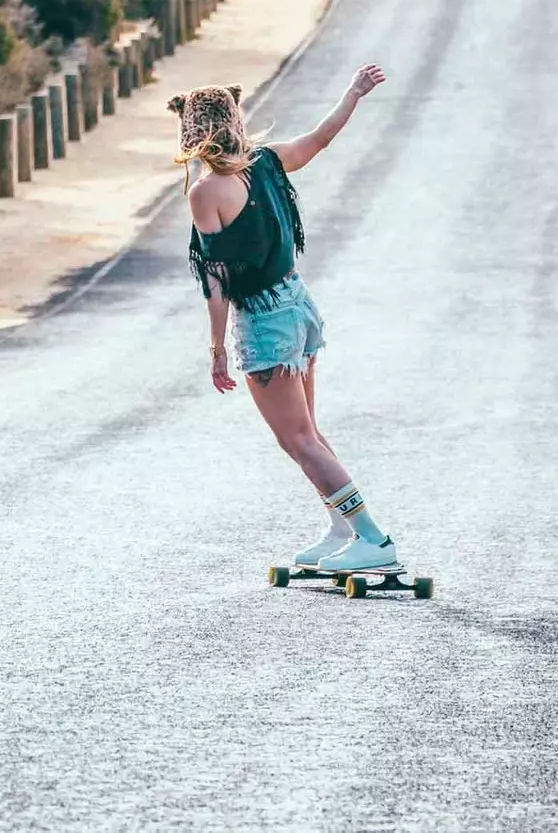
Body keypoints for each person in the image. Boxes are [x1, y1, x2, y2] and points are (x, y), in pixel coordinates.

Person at [170, 65, 396, 572]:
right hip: (297, 303)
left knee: (296, 439)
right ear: (233, 120)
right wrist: (351, 94)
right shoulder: (268, 162)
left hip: (265, 320)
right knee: (308, 433)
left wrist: (216, 348)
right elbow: (319, 138)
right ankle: (343, 528)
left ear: (190, 132)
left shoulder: (205, 192)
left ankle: (374, 540)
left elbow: (217, 278)